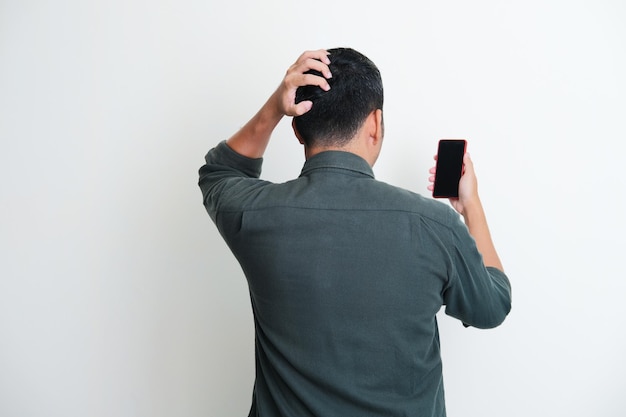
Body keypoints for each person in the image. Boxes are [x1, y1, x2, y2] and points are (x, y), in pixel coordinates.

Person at [198, 48, 511, 417]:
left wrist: (273, 108)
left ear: (296, 128)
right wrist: (470, 206)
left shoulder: (255, 212)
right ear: (375, 124)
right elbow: (493, 305)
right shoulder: (435, 225)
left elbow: (219, 173)